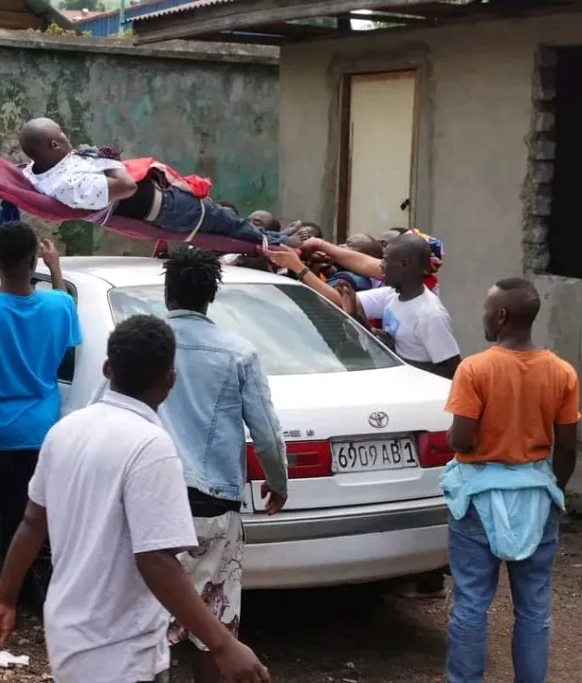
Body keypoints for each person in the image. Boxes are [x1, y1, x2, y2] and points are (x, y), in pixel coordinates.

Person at [0, 315, 271, 683]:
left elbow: (33, 522)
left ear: (106, 369)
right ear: (170, 380)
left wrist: (5, 598)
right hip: (121, 647)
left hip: (69, 633)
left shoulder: (64, 431)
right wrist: (223, 644)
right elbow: (156, 560)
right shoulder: (151, 446)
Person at [157, 248, 288, 683]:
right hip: (213, 505)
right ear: (210, 297)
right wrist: (277, 481)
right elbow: (266, 432)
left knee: (150, 624)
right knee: (212, 624)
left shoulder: (145, 343)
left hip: (152, 500)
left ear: (167, 291)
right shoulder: (239, 352)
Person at [442, 277, 578, 683]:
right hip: (537, 495)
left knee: (471, 603)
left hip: (478, 501)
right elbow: (568, 445)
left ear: (500, 316)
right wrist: (552, 487)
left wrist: (454, 436)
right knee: (534, 609)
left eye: (487, 309)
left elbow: (462, 439)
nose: (483, 315)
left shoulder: (476, 369)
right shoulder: (562, 371)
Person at [0, 222, 82, 600]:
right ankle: (19, 584)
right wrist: (55, 269)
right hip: (38, 429)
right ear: (34, 259)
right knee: (25, 507)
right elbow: (70, 329)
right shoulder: (59, 305)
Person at [18, 118, 290, 248]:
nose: (67, 137)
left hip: (166, 201)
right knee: (229, 223)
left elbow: (24, 170)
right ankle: (285, 244)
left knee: (229, 221)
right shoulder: (71, 183)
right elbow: (127, 187)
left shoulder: (38, 170)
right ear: (54, 144)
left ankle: (281, 239)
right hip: (167, 209)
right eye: (62, 135)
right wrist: (105, 158)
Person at [297, 233, 461, 378]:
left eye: (386, 261)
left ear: (405, 264)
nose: (381, 266)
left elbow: (451, 369)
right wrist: (355, 312)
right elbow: (346, 302)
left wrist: (397, 359)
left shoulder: (430, 314)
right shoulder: (391, 294)